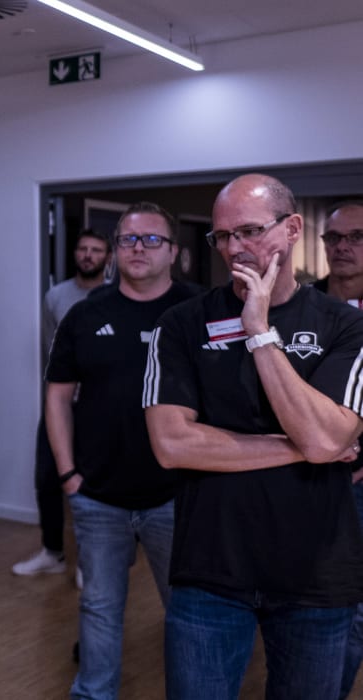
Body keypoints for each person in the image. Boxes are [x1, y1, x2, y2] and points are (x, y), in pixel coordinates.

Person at [144, 174, 363, 699]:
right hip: (210, 572)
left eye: (248, 231)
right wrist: (302, 448)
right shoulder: (180, 324)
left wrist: (260, 330)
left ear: (291, 229)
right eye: (222, 236)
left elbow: (328, 436)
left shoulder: (343, 325)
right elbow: (173, 445)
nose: (233, 248)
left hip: (315, 576)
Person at [47, 204, 196, 698]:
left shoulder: (199, 312)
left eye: (152, 240)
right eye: (129, 240)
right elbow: (57, 396)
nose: (138, 248)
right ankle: (93, 693)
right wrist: (69, 475)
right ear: (115, 250)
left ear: (175, 252)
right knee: (99, 606)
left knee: (189, 610)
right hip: (99, 496)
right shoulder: (84, 314)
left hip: (177, 497)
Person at [13, 229, 111, 578]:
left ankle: (90, 561)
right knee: (47, 478)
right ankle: (52, 552)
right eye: (83, 249)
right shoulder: (56, 296)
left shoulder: (112, 297)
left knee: (94, 485)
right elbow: (50, 350)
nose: (88, 255)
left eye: (96, 249)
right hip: (60, 405)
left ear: (107, 257)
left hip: (99, 409)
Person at [313, 201, 363, 699]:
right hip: (305, 474)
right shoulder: (304, 307)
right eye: (334, 238)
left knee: (354, 611)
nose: (343, 247)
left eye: (357, 237)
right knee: (308, 600)